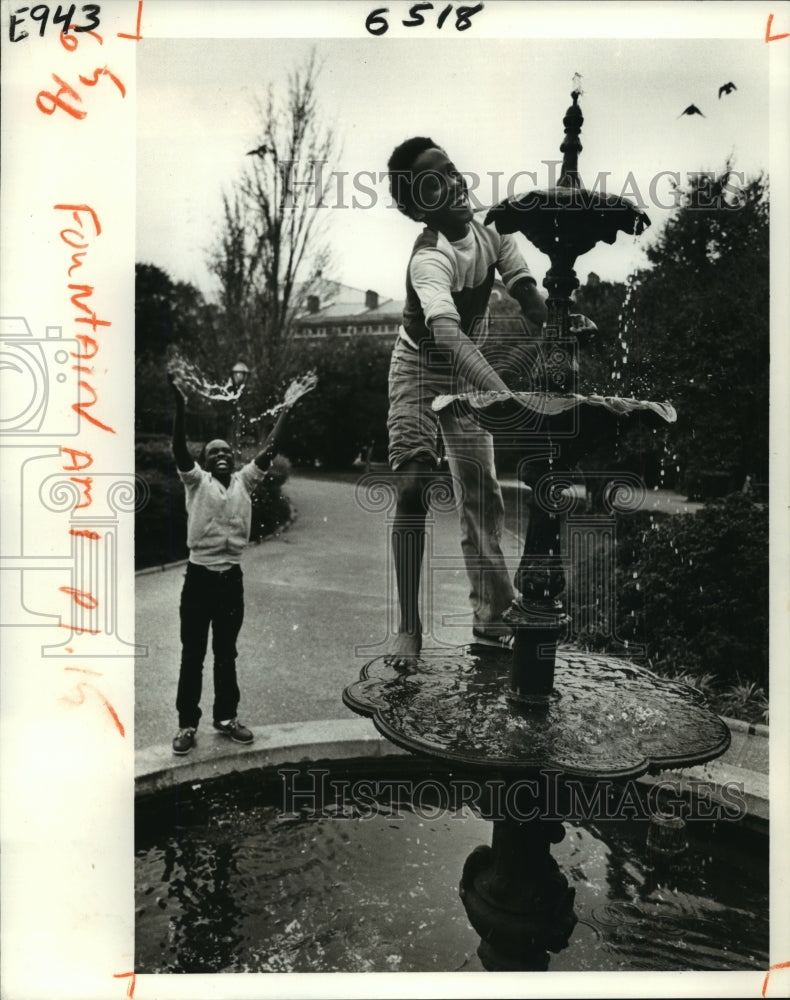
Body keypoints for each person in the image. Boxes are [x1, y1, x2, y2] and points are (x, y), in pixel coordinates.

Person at [385, 136, 548, 666]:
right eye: (433, 183)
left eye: (452, 171)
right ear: (416, 208)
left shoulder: (493, 231)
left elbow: (529, 296)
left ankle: (492, 618)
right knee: (412, 484)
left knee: (481, 493)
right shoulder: (429, 258)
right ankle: (409, 628)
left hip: (466, 370)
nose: (452, 184)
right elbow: (450, 339)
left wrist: (556, 317)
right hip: (421, 366)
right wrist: (502, 393)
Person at [168, 373, 293, 755]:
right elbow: (178, 451)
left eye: (227, 452)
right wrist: (181, 408)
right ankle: (187, 724)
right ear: (204, 463)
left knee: (226, 652)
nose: (221, 455)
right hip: (199, 578)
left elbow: (269, 450)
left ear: (234, 460)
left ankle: (226, 718)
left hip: (230, 581)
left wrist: (286, 410)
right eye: (213, 453)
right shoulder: (196, 483)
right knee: (193, 654)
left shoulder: (245, 481)